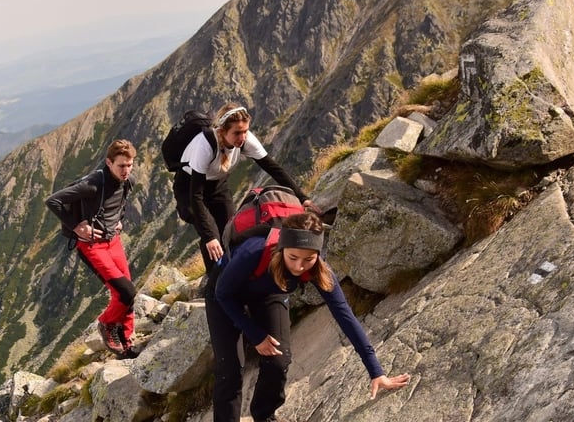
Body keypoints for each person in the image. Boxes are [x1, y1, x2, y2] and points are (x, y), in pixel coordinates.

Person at [208, 212, 411, 422]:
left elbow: (345, 317)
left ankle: (264, 415)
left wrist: (376, 372)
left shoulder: (319, 271)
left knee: (279, 361)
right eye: (293, 257)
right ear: (282, 248)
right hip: (224, 293)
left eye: (309, 259)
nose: (299, 266)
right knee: (230, 372)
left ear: (317, 254)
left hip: (269, 291)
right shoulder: (253, 252)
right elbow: (222, 294)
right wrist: (256, 335)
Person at [173, 103, 313, 272]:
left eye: (245, 131)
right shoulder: (205, 144)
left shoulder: (246, 141)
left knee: (231, 231)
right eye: (237, 133)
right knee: (211, 233)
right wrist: (209, 236)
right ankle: (214, 282)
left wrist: (302, 197)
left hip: (217, 185)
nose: (243, 137)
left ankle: (230, 273)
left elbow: (274, 169)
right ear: (223, 130)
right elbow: (196, 195)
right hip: (188, 187)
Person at [45, 139, 138, 359]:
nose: (126, 170)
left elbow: (119, 204)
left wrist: (118, 220)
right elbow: (53, 201)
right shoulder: (94, 183)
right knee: (126, 291)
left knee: (127, 294)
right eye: (121, 166)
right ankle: (106, 324)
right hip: (91, 246)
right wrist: (76, 226)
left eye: (130, 165)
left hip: (113, 241)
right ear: (108, 162)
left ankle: (126, 343)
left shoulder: (128, 181)